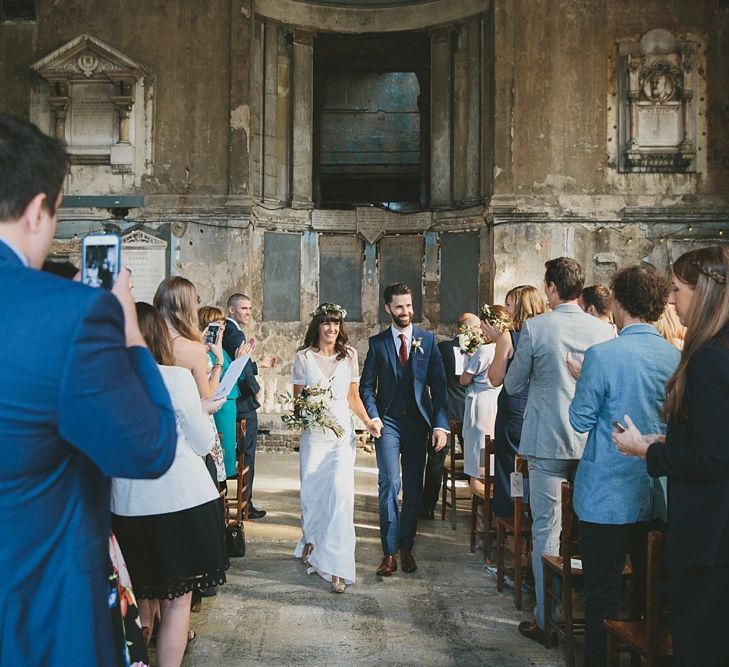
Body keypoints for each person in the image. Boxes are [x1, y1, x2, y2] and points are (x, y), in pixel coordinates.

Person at [0, 113, 177, 666]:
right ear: (36, 211)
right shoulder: (73, 318)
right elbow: (150, 447)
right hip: (37, 627)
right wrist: (126, 332)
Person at [614, 246, 729, 667]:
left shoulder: (709, 359)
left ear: (704, 293)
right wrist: (666, 442)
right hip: (714, 533)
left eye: (678, 289)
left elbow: (712, 460)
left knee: (699, 648)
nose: (670, 300)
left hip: (709, 537)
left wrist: (648, 450)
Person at [569, 266, 679, 667]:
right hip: (658, 491)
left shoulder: (603, 355)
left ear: (618, 302)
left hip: (607, 494)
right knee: (650, 595)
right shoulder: (677, 356)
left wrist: (584, 381)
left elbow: (580, 420)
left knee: (602, 594)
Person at [504, 257, 614, 644]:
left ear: (551, 287)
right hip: (591, 444)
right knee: (590, 530)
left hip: (547, 441)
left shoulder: (536, 327)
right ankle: (594, 615)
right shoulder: (604, 331)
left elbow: (514, 385)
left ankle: (546, 621)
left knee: (547, 530)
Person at [112, 303, 229, 667]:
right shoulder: (176, 378)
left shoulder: (103, 383)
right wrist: (203, 411)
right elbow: (198, 442)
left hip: (128, 506)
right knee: (177, 605)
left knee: (136, 597)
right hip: (183, 501)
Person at [360, 282, 449, 577]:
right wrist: (373, 418)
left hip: (417, 424)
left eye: (408, 306)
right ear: (388, 309)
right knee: (389, 484)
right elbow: (366, 388)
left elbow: (439, 388)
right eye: (399, 307)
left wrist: (440, 425)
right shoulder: (378, 343)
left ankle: (406, 545)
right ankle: (389, 553)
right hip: (387, 424)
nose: (405, 312)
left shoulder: (427, 340)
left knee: (413, 487)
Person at [291, 304, 378, 593]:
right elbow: (298, 402)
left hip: (342, 437)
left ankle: (338, 568)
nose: (332, 329)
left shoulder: (349, 356)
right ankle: (312, 541)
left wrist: (367, 421)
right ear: (317, 325)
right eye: (327, 323)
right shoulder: (303, 357)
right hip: (315, 437)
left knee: (341, 497)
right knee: (313, 497)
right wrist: (306, 414)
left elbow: (353, 397)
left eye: (336, 323)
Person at [483, 285, 546, 519]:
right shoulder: (544, 333)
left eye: (509, 304)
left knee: (511, 467)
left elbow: (495, 378)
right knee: (535, 467)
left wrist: (497, 342)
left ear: (520, 306)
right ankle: (532, 514)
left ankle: (513, 519)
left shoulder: (508, 337)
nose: (506, 310)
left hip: (514, 412)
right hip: (539, 408)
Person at [420, 312, 480, 520]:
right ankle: (479, 510)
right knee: (475, 460)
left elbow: (430, 377)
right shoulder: (480, 350)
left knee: (436, 460)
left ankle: (428, 506)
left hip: (446, 412)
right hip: (469, 413)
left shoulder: (443, 348)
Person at [223, 293, 278, 519]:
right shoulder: (235, 333)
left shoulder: (228, 331)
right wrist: (256, 388)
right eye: (243, 308)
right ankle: (246, 504)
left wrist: (260, 364)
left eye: (249, 308)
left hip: (236, 401)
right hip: (243, 403)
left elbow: (241, 365)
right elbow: (241, 365)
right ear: (231, 310)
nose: (248, 312)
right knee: (247, 455)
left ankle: (244, 501)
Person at [198, 305, 251, 478]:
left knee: (228, 447)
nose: (221, 331)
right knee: (222, 447)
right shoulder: (208, 353)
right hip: (218, 403)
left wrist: (239, 361)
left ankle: (223, 480)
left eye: (223, 327)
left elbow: (231, 375)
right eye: (217, 327)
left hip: (229, 400)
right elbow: (216, 380)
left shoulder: (221, 350)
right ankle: (221, 484)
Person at [460, 305, 506, 494]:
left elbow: (464, 379)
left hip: (480, 407)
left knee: (478, 468)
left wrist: (469, 360)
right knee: (493, 462)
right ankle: (491, 511)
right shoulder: (508, 348)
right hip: (499, 403)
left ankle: (487, 506)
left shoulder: (485, 350)